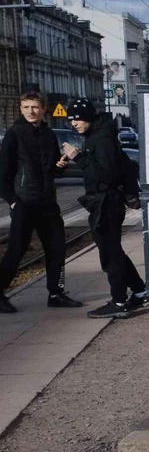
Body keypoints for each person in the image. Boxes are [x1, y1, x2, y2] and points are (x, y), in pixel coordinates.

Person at [65, 98, 149, 319]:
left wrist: (79, 158)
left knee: (109, 255)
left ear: (90, 117)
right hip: (105, 201)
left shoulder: (100, 140)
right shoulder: (98, 135)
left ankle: (119, 301)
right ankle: (140, 292)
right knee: (114, 251)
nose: (74, 123)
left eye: (79, 118)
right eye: (71, 119)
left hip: (106, 202)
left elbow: (106, 174)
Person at [0, 91, 82, 313]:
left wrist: (61, 166)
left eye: (34, 107)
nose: (30, 111)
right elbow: (3, 175)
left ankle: (57, 293)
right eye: (26, 107)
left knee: (57, 248)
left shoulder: (47, 134)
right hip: (24, 202)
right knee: (17, 249)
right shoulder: (14, 134)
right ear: (20, 109)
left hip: (48, 202)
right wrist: (13, 201)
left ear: (43, 109)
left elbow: (53, 171)